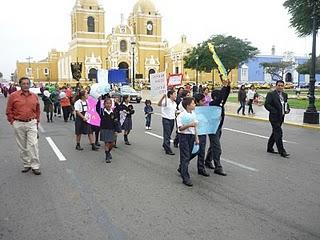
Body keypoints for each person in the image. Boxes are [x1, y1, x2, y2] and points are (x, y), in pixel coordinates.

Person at [6, 77, 41, 175]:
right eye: (23, 83)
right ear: (20, 85)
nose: (26, 85)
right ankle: (27, 164)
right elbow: (9, 110)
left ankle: (35, 166)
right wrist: (12, 122)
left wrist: (36, 121)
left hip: (31, 123)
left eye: (27, 83)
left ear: (29, 84)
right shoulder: (13, 96)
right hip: (18, 123)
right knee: (22, 146)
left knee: (33, 144)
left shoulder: (34, 96)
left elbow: (38, 110)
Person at [204, 79, 231, 176]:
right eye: (220, 96)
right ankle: (218, 166)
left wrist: (228, 86)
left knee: (213, 146)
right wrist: (224, 86)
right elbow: (221, 97)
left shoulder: (220, 103)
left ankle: (207, 160)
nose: (222, 97)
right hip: (212, 128)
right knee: (217, 148)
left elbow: (225, 96)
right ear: (215, 97)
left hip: (218, 127)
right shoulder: (212, 104)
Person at [264, 80, 290, 158]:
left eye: (282, 85)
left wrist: (288, 109)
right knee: (279, 133)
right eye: (279, 85)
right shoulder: (271, 94)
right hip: (274, 117)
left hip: (281, 117)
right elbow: (267, 104)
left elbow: (286, 104)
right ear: (276, 86)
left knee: (275, 133)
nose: (280, 87)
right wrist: (274, 111)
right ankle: (282, 151)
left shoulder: (285, 95)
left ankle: (269, 147)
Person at [176, 97, 198, 186]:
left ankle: (182, 167)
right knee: (185, 157)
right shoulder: (181, 115)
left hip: (191, 137)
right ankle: (185, 177)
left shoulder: (193, 114)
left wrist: (197, 138)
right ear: (188, 105)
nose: (195, 105)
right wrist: (189, 125)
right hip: (184, 136)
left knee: (189, 155)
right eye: (193, 103)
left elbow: (195, 126)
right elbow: (180, 128)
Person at [194, 93, 210, 177]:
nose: (204, 102)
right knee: (193, 151)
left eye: (204, 100)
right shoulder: (193, 111)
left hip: (203, 132)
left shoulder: (204, 110)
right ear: (197, 102)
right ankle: (182, 166)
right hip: (196, 134)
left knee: (201, 151)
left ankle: (201, 168)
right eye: (202, 101)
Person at [96, 98, 117, 163]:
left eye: (110, 103)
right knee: (107, 143)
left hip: (112, 129)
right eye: (107, 103)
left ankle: (108, 152)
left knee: (112, 144)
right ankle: (107, 156)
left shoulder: (113, 112)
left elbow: (116, 122)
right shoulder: (102, 112)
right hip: (104, 129)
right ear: (104, 104)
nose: (108, 105)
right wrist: (99, 100)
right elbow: (97, 108)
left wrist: (116, 130)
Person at [158, 90, 177, 155]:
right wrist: (163, 97)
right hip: (166, 119)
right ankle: (168, 149)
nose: (175, 95)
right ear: (170, 95)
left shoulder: (174, 103)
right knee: (167, 134)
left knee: (168, 134)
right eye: (174, 94)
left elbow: (174, 111)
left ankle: (164, 144)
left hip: (172, 119)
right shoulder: (166, 101)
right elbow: (159, 104)